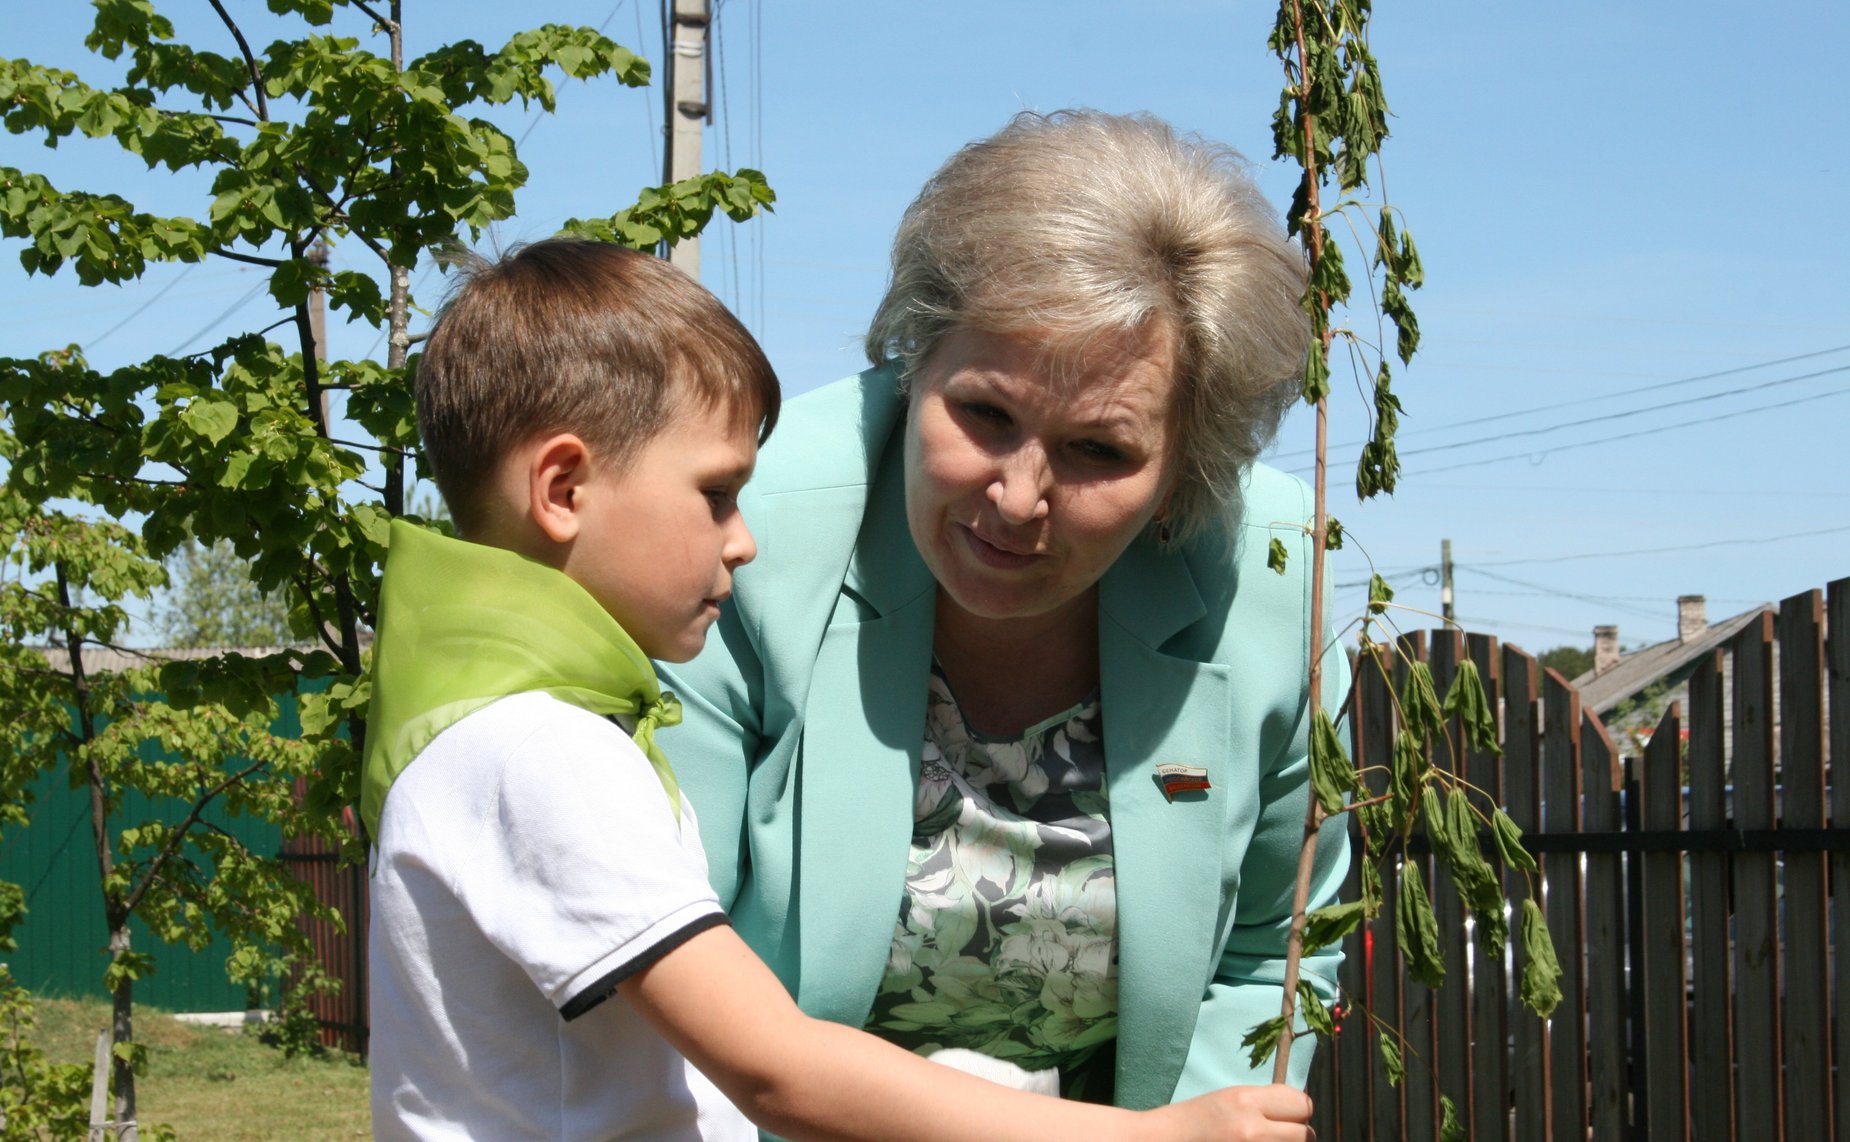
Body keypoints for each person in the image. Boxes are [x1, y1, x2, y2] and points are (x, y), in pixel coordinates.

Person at [362, 237, 1316, 1140]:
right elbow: (778, 1068)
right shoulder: (543, 758)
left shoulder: (507, 732)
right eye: (718, 494)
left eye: (1095, 449)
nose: (745, 538)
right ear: (564, 489)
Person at [658, 109, 1351, 1116]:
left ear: (1182, 473)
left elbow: (1271, 961)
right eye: (984, 414)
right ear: (915, 356)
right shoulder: (745, 535)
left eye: (1098, 451)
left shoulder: (1275, 574)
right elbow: (677, 953)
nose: (1018, 497)